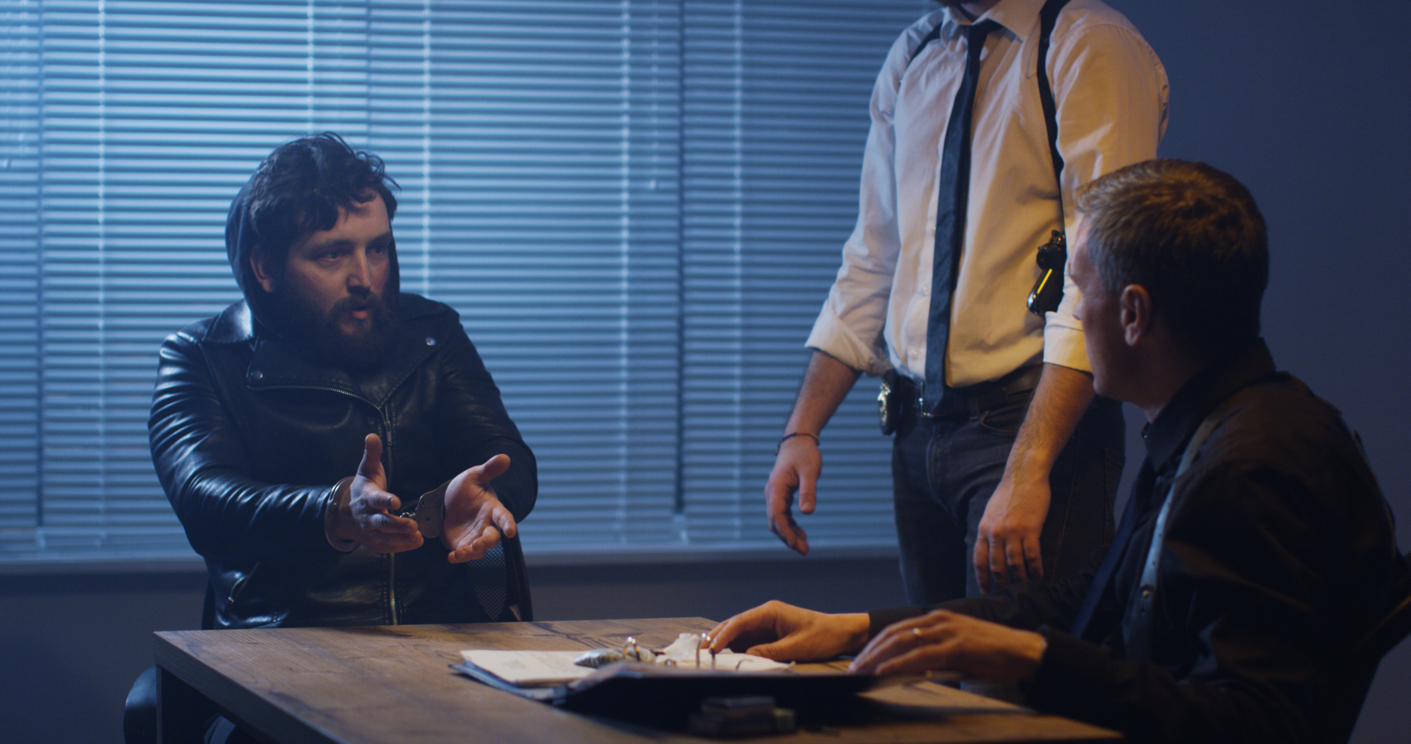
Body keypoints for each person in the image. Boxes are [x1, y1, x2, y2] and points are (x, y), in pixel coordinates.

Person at [712, 159, 1411, 743]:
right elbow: (1094, 602)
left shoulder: (1253, 467)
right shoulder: (1217, 427)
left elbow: (1262, 722)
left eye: (1077, 289)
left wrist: (1034, 659)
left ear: (1132, 314)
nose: (1069, 314)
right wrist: (853, 628)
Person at [129, 132, 537, 743]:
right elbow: (205, 500)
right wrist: (333, 510)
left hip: (449, 653)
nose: (366, 277)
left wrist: (458, 498)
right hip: (277, 661)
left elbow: (508, 464)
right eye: (332, 255)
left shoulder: (433, 333)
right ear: (264, 266)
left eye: (379, 250)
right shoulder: (202, 357)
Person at [767, 0, 1170, 605]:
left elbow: (1103, 274)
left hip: (1029, 426)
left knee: (1013, 685)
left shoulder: (1089, 42)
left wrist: (1028, 468)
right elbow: (875, 256)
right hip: (917, 433)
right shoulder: (914, 54)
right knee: (924, 677)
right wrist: (802, 432)